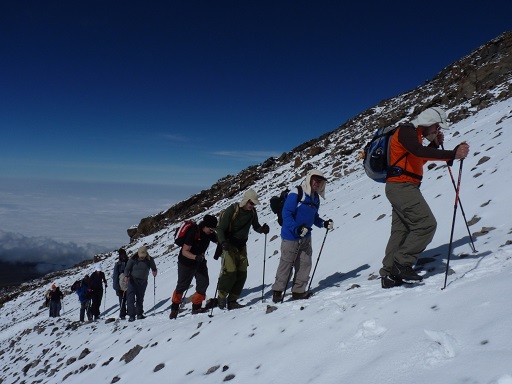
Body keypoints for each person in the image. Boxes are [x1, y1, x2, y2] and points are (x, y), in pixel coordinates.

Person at [379, 107, 470, 288]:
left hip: (401, 186)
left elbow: (418, 159)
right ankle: (401, 263)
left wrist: (434, 146)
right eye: (436, 126)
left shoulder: (415, 136)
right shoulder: (407, 131)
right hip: (402, 187)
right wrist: (452, 154)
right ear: (428, 122)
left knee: (401, 231)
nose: (437, 130)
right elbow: (419, 152)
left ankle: (389, 275)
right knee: (426, 224)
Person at [271, 169, 333, 302]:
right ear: (309, 179)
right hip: (290, 235)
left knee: (304, 263)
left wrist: (323, 223)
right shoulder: (297, 193)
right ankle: (277, 292)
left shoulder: (315, 198)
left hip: (306, 236)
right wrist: (296, 229)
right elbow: (286, 214)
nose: (317, 183)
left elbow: (314, 217)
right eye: (315, 180)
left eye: (320, 181)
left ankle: (298, 291)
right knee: (286, 263)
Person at [216, 188, 269, 310]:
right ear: (245, 200)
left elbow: (256, 226)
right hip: (229, 245)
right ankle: (221, 296)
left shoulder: (252, 213)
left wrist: (262, 229)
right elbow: (220, 229)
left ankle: (233, 300)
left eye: (254, 203)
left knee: (242, 273)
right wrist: (223, 242)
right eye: (251, 203)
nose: (252, 205)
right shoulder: (233, 210)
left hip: (241, 245)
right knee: (230, 271)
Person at [169, 214, 222, 319]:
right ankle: (174, 308)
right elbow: (184, 251)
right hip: (186, 262)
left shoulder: (209, 233)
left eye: (213, 230)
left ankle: (196, 306)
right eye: (211, 229)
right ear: (205, 226)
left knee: (203, 282)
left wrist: (222, 244)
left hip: (199, 261)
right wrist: (195, 257)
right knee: (182, 285)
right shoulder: (194, 233)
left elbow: (218, 240)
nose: (212, 231)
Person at [124, 245, 158, 322]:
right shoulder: (132, 260)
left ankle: (139, 314)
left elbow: (153, 267)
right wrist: (126, 275)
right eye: (141, 256)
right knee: (130, 298)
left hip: (143, 281)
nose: (142, 257)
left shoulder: (149, 259)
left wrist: (154, 271)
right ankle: (131, 315)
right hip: (133, 280)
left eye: (144, 256)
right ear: (138, 253)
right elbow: (127, 268)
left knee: (140, 298)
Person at [113, 248, 129, 319]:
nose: (123, 256)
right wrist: (116, 288)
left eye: (123, 254)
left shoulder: (128, 262)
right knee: (122, 300)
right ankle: (123, 314)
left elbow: (115, 276)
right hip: (121, 286)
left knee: (128, 300)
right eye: (121, 254)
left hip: (128, 284)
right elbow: (115, 277)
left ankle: (129, 313)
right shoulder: (118, 264)